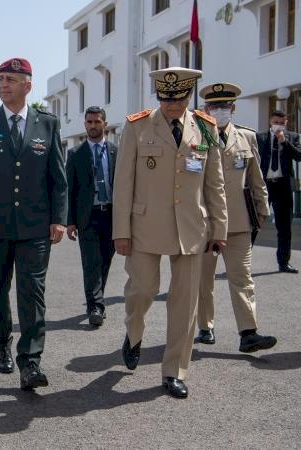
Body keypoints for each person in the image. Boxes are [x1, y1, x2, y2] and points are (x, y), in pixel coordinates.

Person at [113, 67, 227, 399]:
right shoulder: (137, 126)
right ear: (158, 96)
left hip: (192, 228)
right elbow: (123, 184)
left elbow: (215, 183)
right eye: (166, 98)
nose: (172, 105)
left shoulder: (205, 128)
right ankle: (134, 333)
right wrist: (121, 231)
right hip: (145, 226)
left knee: (185, 303)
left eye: (178, 99)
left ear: (189, 95)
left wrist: (219, 228)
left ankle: (174, 370)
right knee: (143, 290)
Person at [0, 58, 67, 391]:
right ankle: (2, 342)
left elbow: (58, 178)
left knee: (32, 292)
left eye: (10, 79)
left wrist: (59, 219)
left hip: (36, 226)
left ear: (28, 85)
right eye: (1, 79)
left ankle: (31, 362)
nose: (4, 84)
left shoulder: (46, 124)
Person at [196, 82, 277, 353]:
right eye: (214, 106)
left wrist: (262, 209)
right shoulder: (194, 137)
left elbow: (256, 178)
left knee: (242, 278)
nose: (219, 111)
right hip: (205, 222)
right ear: (205, 108)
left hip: (239, 221)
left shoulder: (247, 138)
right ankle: (206, 326)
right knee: (203, 279)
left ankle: (248, 332)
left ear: (233, 107)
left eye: (224, 106)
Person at [66, 106, 117, 327]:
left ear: (105, 124)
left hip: (112, 215)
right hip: (87, 216)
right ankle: (96, 306)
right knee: (91, 263)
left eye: (97, 122)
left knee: (105, 260)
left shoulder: (117, 151)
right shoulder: (75, 154)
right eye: (89, 122)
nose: (92, 126)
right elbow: (70, 189)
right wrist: (70, 221)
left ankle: (97, 301)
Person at [256, 110, 301, 273]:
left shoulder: (293, 137)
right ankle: (242, 262)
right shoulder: (259, 137)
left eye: (282, 123)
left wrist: (284, 142)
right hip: (263, 185)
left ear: (286, 122)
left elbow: (299, 156)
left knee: (285, 227)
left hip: (283, 186)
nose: (278, 125)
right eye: (276, 122)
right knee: (254, 223)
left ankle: (284, 263)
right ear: (270, 121)